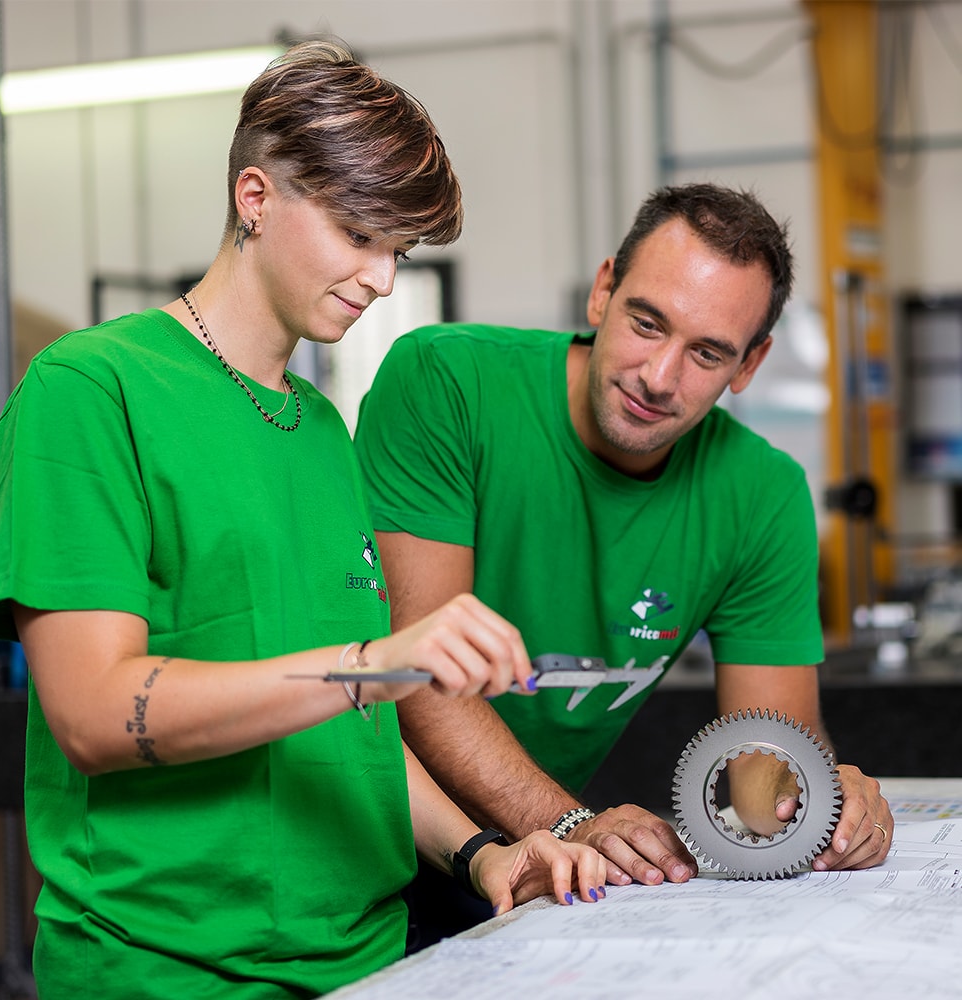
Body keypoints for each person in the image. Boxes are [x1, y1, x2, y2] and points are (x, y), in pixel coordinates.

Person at [0, 39, 607, 1000]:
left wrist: (482, 853)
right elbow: (94, 714)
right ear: (255, 197)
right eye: (360, 234)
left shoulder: (321, 431)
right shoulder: (91, 390)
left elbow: (353, 731)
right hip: (167, 972)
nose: (382, 278)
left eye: (400, 251)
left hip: (371, 959)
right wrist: (372, 665)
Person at [353, 182, 893, 941]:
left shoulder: (761, 492)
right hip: (365, 848)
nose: (659, 377)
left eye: (707, 353)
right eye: (647, 323)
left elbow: (759, 757)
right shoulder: (448, 382)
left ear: (750, 364)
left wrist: (814, 802)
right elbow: (417, 675)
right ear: (603, 291)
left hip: (528, 872)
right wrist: (572, 821)